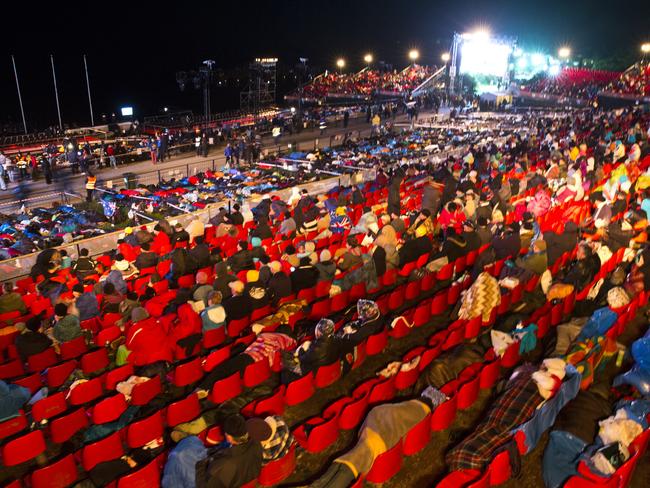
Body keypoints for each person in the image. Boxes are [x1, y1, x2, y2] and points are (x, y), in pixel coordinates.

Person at [195, 414, 263, 488]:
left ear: (229, 437)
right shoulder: (257, 443)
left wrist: (200, 466)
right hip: (246, 479)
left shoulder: (225, 463)